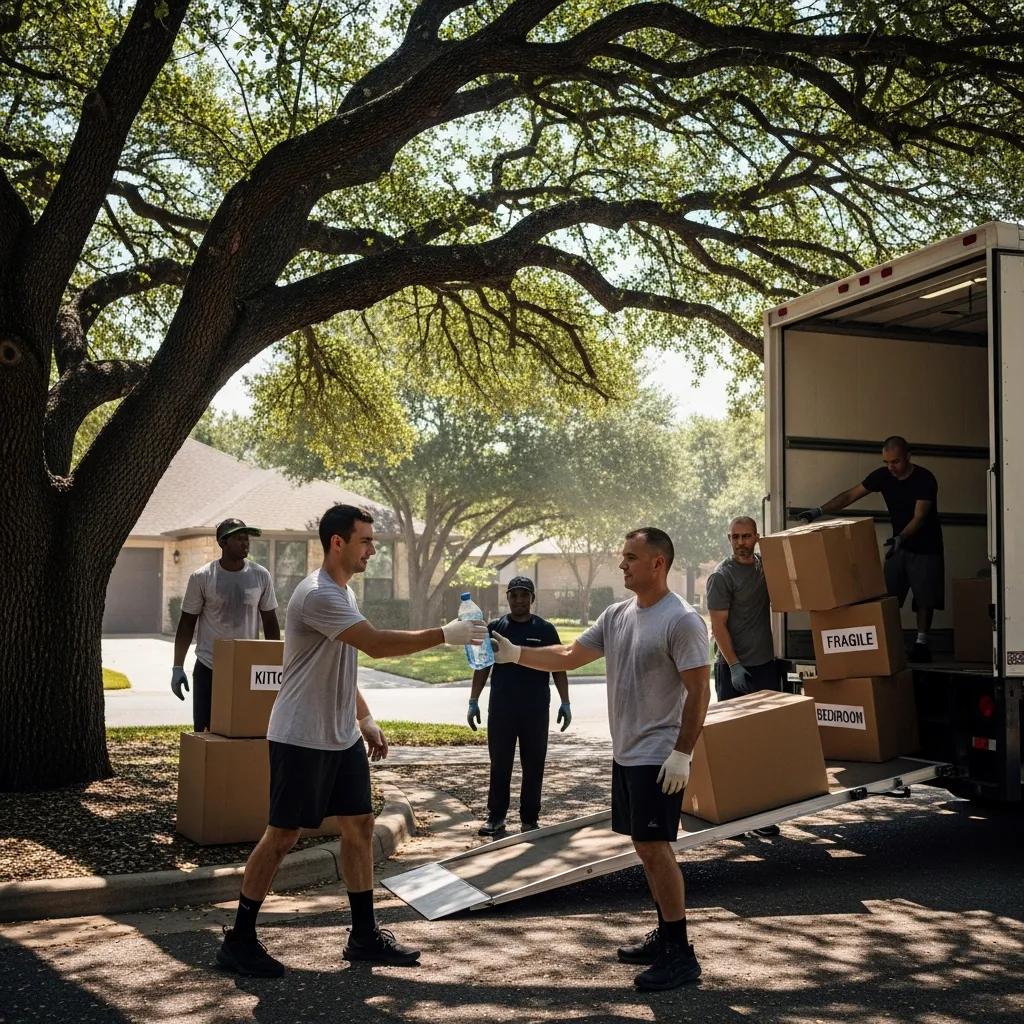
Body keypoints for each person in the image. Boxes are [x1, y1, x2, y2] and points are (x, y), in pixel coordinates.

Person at [216, 504, 487, 978]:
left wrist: (364, 717)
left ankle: (363, 936)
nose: (373, 550)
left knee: (360, 826)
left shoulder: (344, 591)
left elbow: (345, 657)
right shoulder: (318, 594)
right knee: (283, 835)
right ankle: (239, 939)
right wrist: (446, 634)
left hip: (340, 736)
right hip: (301, 736)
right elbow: (376, 644)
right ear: (337, 542)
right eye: (365, 541)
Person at [490, 528, 710, 993]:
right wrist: (515, 654)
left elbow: (699, 691)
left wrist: (682, 753)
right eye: (622, 557)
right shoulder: (617, 615)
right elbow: (570, 655)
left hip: (658, 755)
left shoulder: (682, 620)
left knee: (655, 848)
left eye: (631, 557)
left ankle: (680, 954)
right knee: (644, 848)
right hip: (626, 752)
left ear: (658, 564)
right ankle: (665, 933)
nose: (622, 565)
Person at [799, 435, 943, 662]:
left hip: (926, 546)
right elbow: (850, 495)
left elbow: (920, 517)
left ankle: (921, 643)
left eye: (895, 462)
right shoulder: (883, 476)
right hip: (898, 545)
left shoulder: (924, 479)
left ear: (908, 456)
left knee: (924, 597)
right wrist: (819, 511)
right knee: (888, 595)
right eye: (886, 462)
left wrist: (901, 537)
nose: (890, 467)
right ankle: (888, 643)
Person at [467, 576, 571, 837]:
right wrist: (473, 700)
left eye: (524, 595)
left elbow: (559, 666)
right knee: (499, 764)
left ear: (532, 598)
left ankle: (530, 819)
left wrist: (565, 701)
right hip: (502, 710)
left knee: (533, 765)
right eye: (514, 595)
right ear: (508, 598)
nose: (519, 600)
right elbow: (482, 666)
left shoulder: (545, 630)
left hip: (535, 710)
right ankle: (496, 817)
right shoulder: (495, 628)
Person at [706, 515, 782, 839]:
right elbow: (718, 625)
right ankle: (731, 816)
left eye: (746, 536)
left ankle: (759, 815)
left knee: (762, 743)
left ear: (756, 537)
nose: (741, 543)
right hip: (734, 670)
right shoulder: (721, 576)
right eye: (735, 537)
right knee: (733, 744)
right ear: (729, 539)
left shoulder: (765, 568)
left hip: (764, 666)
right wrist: (734, 665)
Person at [172, 518, 280, 732]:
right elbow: (186, 624)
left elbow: (270, 622)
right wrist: (177, 667)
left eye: (247, 538)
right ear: (222, 542)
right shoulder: (202, 577)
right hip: (209, 667)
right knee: (206, 732)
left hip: (247, 667)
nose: (245, 543)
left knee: (246, 730)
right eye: (239, 538)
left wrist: (275, 664)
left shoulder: (260, 575)